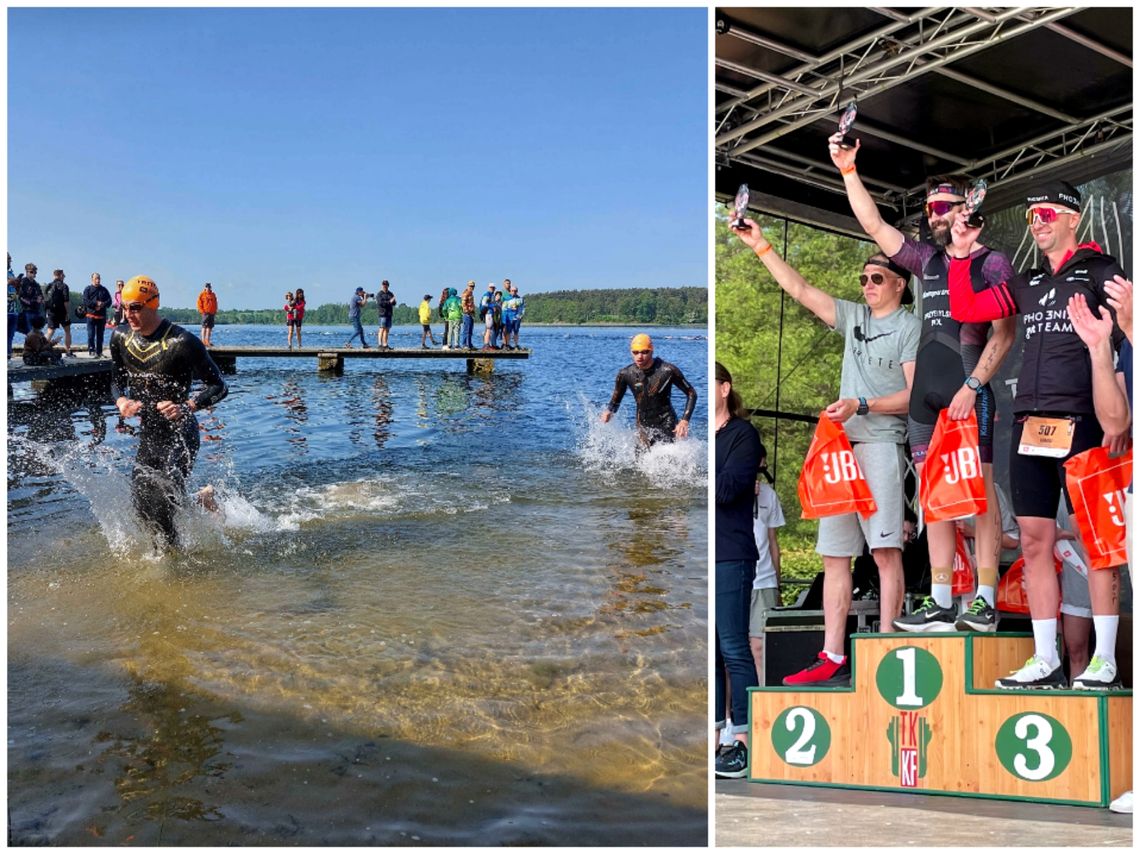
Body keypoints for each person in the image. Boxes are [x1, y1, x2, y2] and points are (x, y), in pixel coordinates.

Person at [945, 181, 1129, 690]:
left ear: (1074, 217)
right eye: (1031, 217)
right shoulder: (1025, 281)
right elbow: (966, 309)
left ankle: (1104, 659)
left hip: (1086, 419)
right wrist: (961, 253)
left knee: (1097, 544)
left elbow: (1128, 333)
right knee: (1033, 541)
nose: (1038, 222)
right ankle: (1045, 656)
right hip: (1030, 423)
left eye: (1047, 212)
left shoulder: (1101, 269)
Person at [830, 138, 1017, 634]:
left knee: (978, 495)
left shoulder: (990, 262)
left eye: (944, 207)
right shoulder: (927, 262)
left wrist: (974, 384)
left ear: (967, 210)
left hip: (966, 389)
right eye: (930, 208)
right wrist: (849, 170)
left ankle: (984, 596)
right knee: (934, 497)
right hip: (924, 403)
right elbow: (874, 225)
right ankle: (938, 598)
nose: (934, 215)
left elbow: (1006, 331)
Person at [732, 216, 920, 685]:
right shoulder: (853, 317)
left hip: (879, 443)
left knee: (884, 550)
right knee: (834, 556)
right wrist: (761, 246)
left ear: (899, 284)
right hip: (840, 448)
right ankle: (832, 654)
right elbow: (801, 290)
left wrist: (864, 403)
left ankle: (887, 643)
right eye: (862, 278)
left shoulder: (910, 326)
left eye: (876, 278)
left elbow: (915, 396)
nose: (867, 285)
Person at [110, 275, 228, 549]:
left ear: (154, 304)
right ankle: (202, 499)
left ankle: (175, 573)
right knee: (142, 509)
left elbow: (219, 386)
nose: (129, 314)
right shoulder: (120, 338)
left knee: (163, 509)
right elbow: (115, 381)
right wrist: (121, 402)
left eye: (136, 307)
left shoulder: (182, 342)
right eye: (126, 307)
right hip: (150, 435)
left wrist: (187, 406)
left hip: (181, 435)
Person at [714, 362, 762, 779]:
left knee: (733, 645)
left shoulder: (743, 436)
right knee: (711, 651)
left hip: (732, 552)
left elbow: (729, 489)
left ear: (725, 388)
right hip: (704, 550)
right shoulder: (701, 437)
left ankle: (744, 741)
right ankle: (715, 737)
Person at [600, 334, 696, 447]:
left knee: (667, 459)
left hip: (666, 421)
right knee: (641, 460)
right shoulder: (625, 374)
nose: (639, 356)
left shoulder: (668, 370)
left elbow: (691, 393)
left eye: (644, 352)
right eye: (635, 352)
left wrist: (684, 421)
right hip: (642, 423)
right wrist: (609, 411)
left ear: (652, 351)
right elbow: (616, 400)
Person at [749, 441, 785, 685]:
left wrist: (778, 584)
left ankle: (763, 703)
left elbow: (773, 542)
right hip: (735, 579)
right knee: (732, 651)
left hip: (764, 580)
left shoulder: (769, 495)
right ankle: (731, 717)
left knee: (760, 646)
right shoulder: (725, 488)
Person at [43, 269, 74, 357]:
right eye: (63, 275)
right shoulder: (64, 286)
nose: (64, 277)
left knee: (49, 331)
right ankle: (68, 351)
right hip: (62, 312)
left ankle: (41, 348)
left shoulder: (49, 286)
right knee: (67, 331)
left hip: (51, 312)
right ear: (60, 275)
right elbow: (66, 301)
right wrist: (67, 313)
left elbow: (45, 299)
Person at [82, 272, 112, 357]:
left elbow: (109, 301)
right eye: (96, 278)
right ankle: (91, 350)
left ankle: (99, 352)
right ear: (92, 279)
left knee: (100, 336)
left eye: (99, 278)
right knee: (91, 334)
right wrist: (95, 304)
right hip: (91, 316)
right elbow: (85, 300)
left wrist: (102, 304)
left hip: (101, 316)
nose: (97, 280)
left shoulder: (104, 290)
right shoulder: (88, 289)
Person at [16, 262, 44, 340]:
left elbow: (41, 295)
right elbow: (20, 296)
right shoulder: (23, 282)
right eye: (31, 272)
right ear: (27, 272)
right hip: (26, 311)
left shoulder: (36, 284)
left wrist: (40, 299)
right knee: (29, 332)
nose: (33, 274)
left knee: (37, 332)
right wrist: (30, 302)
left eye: (35, 272)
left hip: (36, 311)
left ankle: (36, 348)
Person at [502, 280, 526, 349]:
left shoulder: (520, 299)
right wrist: (506, 317)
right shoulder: (506, 299)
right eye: (512, 290)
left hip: (516, 318)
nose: (514, 292)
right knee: (508, 332)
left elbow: (523, 308)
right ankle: (507, 345)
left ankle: (516, 345)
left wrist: (520, 316)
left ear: (517, 291)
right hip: (509, 318)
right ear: (510, 291)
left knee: (516, 331)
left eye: (515, 291)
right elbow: (504, 309)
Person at [375, 279, 396, 350]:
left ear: (388, 286)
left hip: (389, 314)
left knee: (387, 329)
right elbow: (381, 303)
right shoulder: (379, 294)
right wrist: (389, 302)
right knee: (381, 328)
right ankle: (380, 344)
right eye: (384, 284)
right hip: (382, 314)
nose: (385, 286)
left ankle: (385, 344)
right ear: (382, 285)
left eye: (386, 285)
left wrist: (393, 301)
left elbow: (394, 303)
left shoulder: (390, 294)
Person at [197, 282, 217, 347]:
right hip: (205, 313)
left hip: (212, 313)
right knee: (204, 327)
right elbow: (199, 304)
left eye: (209, 287)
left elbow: (215, 303)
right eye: (207, 287)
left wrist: (215, 311)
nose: (208, 288)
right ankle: (203, 341)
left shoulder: (213, 295)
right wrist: (202, 311)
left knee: (209, 328)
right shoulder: (202, 295)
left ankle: (207, 341)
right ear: (205, 288)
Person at [7, 254, 18, 358]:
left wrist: (16, 284)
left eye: (10, 260)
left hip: (13, 310)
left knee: (10, 336)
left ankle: (8, 357)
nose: (10, 261)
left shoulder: (11, 273)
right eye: (8, 259)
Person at [460, 280, 477, 349]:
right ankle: (464, 344)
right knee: (466, 330)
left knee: (470, 330)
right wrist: (467, 312)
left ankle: (469, 344)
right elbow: (463, 304)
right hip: (467, 314)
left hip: (471, 314)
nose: (472, 287)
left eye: (473, 286)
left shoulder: (471, 293)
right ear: (468, 286)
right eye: (470, 286)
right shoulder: (466, 293)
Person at [480, 283, 497, 349]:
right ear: (488, 288)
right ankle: (486, 344)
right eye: (491, 287)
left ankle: (489, 344)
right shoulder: (487, 295)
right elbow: (484, 304)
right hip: (488, 313)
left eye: (493, 288)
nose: (492, 289)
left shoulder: (492, 295)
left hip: (490, 314)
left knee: (490, 329)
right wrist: (492, 306)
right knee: (488, 329)